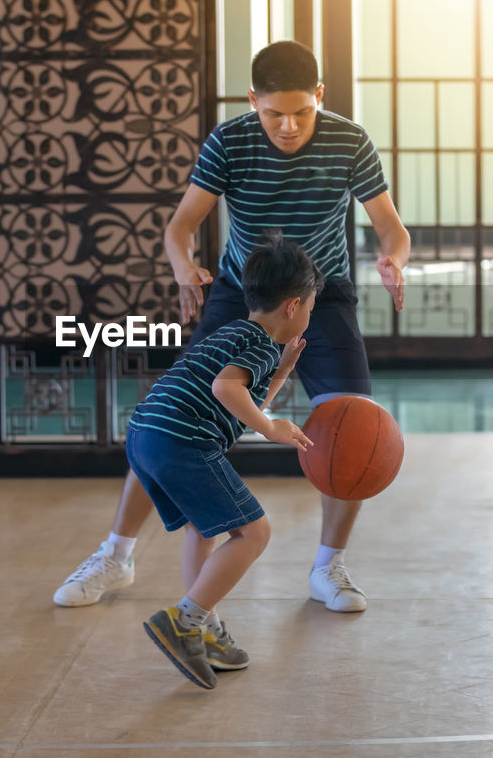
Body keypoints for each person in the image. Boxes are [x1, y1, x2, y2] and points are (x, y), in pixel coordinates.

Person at [54, 40, 410, 613]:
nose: (289, 126)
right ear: (253, 102)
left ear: (320, 96)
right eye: (274, 113)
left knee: (350, 422)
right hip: (243, 292)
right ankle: (116, 556)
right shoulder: (231, 141)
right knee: (177, 420)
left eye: (302, 111)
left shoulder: (349, 140)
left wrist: (394, 258)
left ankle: (329, 568)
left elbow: (391, 227)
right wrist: (182, 267)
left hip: (324, 292)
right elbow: (181, 226)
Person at [135, 233, 319, 689]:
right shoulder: (257, 344)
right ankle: (185, 620)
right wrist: (270, 427)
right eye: (312, 305)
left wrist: (282, 369)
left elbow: (243, 390)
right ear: (293, 306)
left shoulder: (238, 335)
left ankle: (203, 629)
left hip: (146, 434)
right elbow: (225, 390)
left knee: (203, 530)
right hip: (182, 440)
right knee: (255, 531)